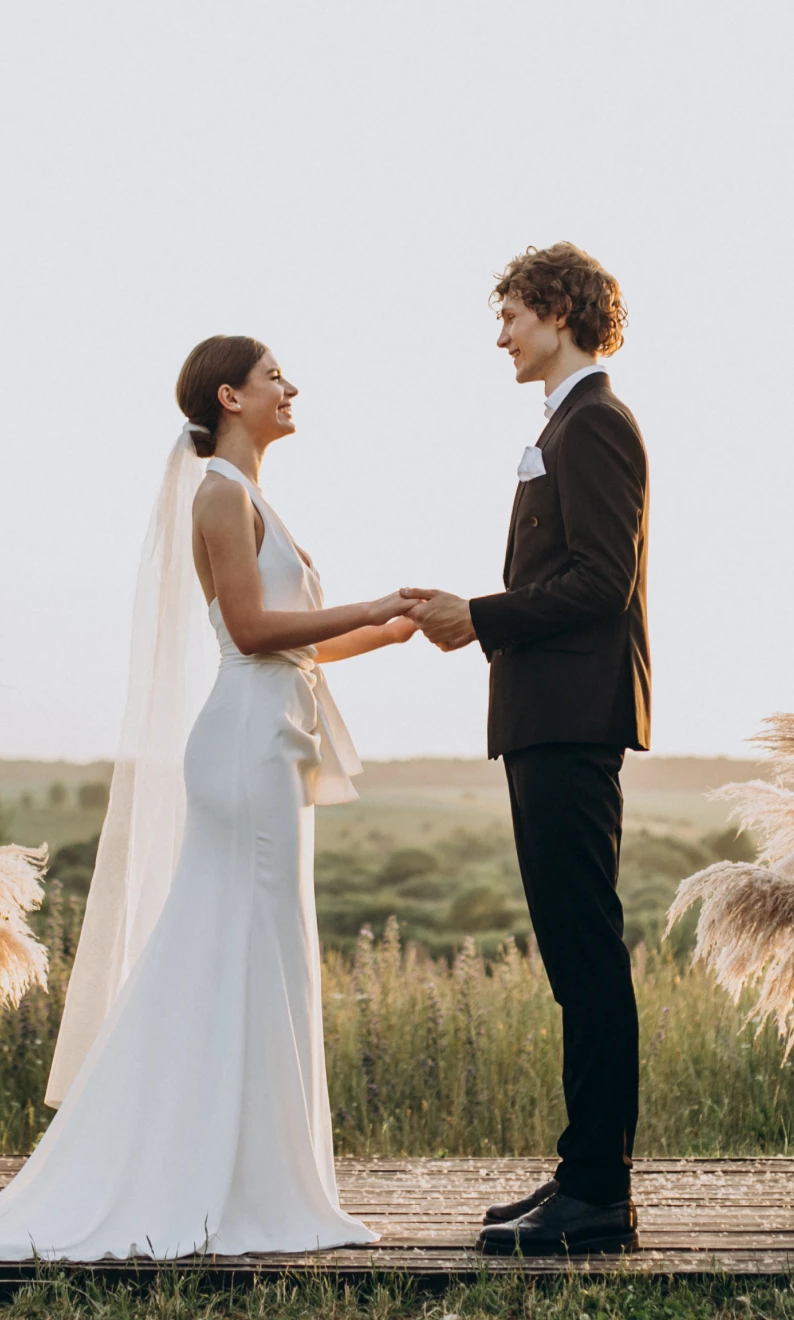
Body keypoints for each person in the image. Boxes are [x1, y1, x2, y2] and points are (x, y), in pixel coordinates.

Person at [0, 335, 417, 1260]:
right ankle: (217, 1182)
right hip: (246, 745)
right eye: (274, 377)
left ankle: (256, 1175)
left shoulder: (253, 497)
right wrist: (370, 603)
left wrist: (393, 629)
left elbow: (296, 642)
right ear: (230, 395)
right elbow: (252, 632)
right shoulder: (220, 492)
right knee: (241, 945)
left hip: (273, 743)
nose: (291, 387)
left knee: (260, 951)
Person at [402, 242, 650, 1256]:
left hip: (571, 720)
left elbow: (601, 584)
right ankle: (582, 1174)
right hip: (547, 718)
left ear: (558, 310)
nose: (499, 334)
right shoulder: (564, 423)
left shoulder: (595, 425)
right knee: (571, 957)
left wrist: (481, 616)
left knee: (586, 955)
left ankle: (597, 1194)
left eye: (508, 314)